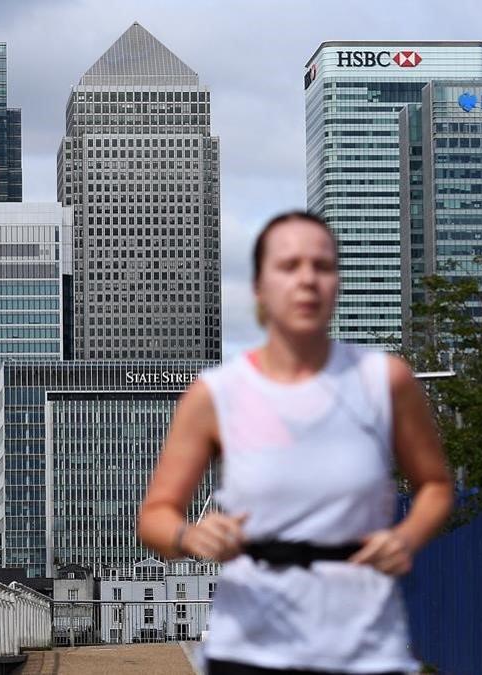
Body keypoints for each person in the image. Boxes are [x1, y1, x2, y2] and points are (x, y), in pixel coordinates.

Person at [138, 211, 453, 674]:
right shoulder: (217, 393)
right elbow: (155, 515)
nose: (307, 280)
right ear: (260, 288)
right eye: (289, 266)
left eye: (322, 266)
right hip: (251, 645)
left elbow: (436, 485)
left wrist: (406, 538)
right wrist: (189, 535)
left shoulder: (385, 381)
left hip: (364, 644)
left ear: (337, 283)